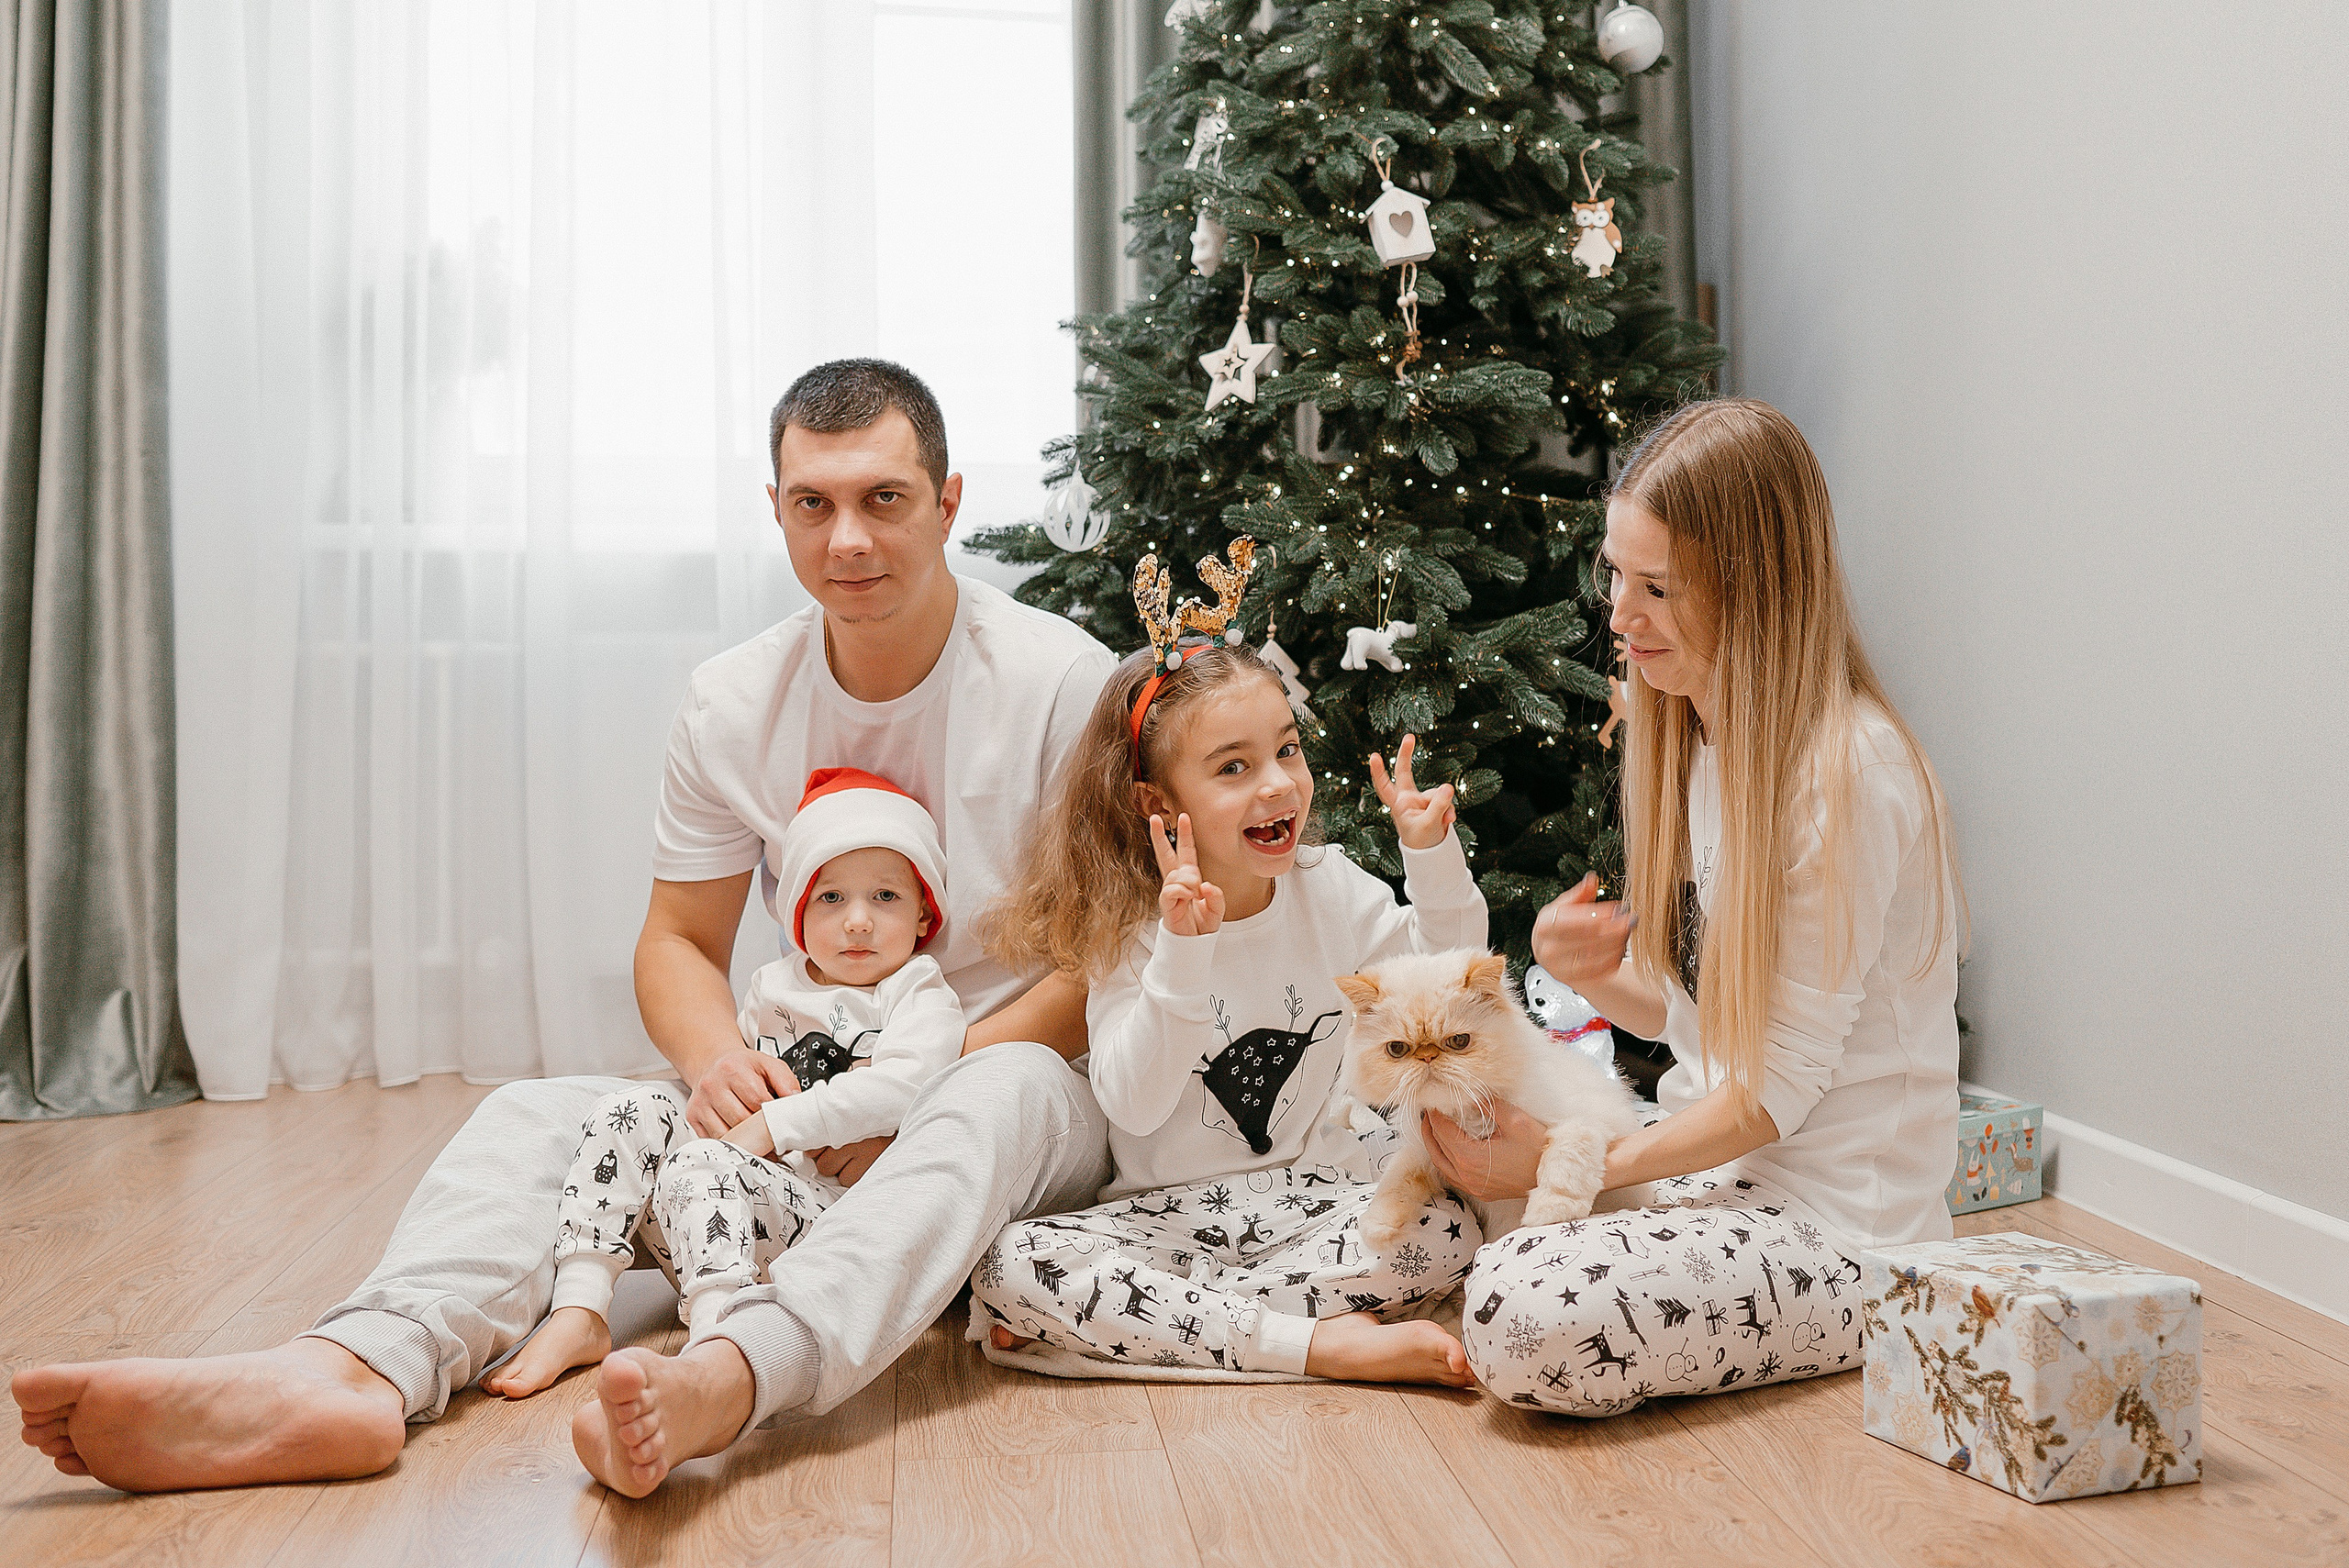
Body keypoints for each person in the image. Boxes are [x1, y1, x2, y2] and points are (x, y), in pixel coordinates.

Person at [14, 360, 1119, 1496]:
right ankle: (353, 1368)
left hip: (988, 1102)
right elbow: (678, 941)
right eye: (812, 503)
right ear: (776, 510)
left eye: (884, 498)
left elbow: (1108, 958)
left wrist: (904, 1096)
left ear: (949, 502)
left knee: (1005, 1089)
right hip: (791, 1126)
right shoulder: (736, 697)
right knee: (541, 1111)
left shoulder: (1058, 684)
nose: (847, 538)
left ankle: (733, 1372)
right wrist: (721, 1069)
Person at [1431, 398, 1963, 1415]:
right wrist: (1590, 976)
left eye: (1658, 587)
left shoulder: (1849, 773)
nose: (1620, 619)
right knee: (1432, 1192)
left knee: (1521, 1309)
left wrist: (1571, 1161)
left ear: (1753, 589)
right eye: (1615, 576)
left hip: (1840, 1232)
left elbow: (1773, 1090)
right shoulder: (1697, 742)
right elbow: (1704, 1025)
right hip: (1712, 1184)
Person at [970, 575, 1486, 1385]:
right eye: (1233, 768)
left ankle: (1167, 1332)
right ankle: (1321, 1343)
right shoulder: (1133, 930)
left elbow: (1451, 978)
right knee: (1012, 1263)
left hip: (1314, 1197)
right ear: (1157, 800)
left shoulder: (1333, 886)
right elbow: (1133, 1103)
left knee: (1448, 1223)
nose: (1278, 783)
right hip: (1163, 1221)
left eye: (1286, 748)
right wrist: (1183, 951)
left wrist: (1430, 856)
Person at [482, 768, 965, 1398]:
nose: (858, 922)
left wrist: (774, 1124)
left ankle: (716, 1339)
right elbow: (729, 1085)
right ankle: (581, 1302)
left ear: (924, 909)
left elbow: (906, 1086)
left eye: (886, 897)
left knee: (706, 1162)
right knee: (633, 1107)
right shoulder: (774, 986)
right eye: (832, 898)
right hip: (711, 1215)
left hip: (825, 1221)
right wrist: (721, 1115)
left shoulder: (917, 992)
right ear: (797, 910)